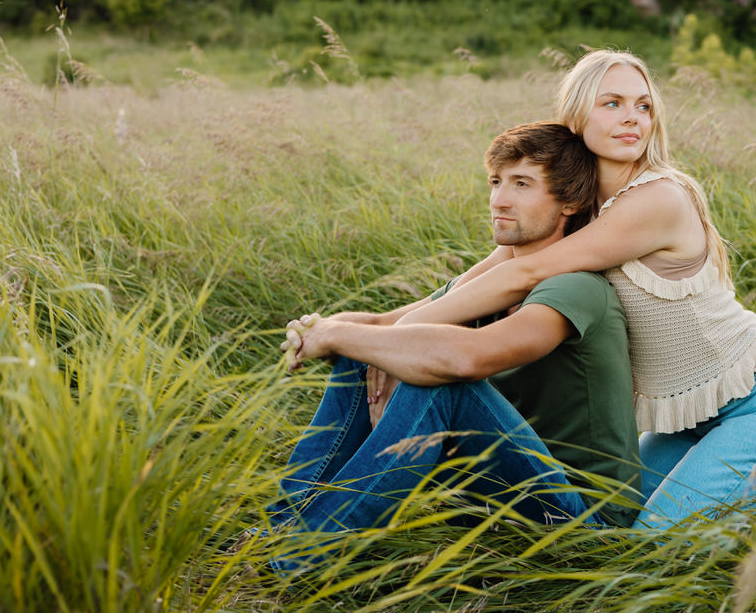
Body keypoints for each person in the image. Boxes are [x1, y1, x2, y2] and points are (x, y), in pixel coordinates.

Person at [398, 50, 756, 529]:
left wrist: (397, 338)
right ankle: (753, 508)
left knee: (653, 552)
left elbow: (522, 276)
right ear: (577, 115)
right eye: (613, 103)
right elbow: (480, 277)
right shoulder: (578, 205)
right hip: (689, 415)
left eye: (644, 106)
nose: (632, 119)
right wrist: (384, 328)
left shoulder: (657, 197)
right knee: (618, 528)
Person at [270, 122, 641, 570]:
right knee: (364, 350)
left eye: (522, 184)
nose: (499, 199)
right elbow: (385, 324)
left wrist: (350, 337)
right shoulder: (496, 280)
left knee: (439, 381)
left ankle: (298, 560)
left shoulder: (576, 288)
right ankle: (280, 532)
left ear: (571, 202)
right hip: (506, 491)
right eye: (496, 181)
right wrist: (322, 329)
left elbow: (468, 359)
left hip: (583, 524)